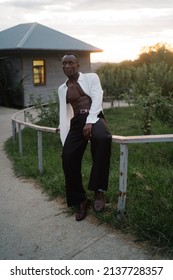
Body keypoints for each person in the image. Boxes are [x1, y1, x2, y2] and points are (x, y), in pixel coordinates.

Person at [58, 52, 112, 221]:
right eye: (64, 64)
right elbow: (64, 111)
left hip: (94, 117)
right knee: (67, 157)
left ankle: (99, 191)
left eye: (70, 63)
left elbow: (97, 97)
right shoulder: (62, 88)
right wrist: (62, 126)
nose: (67, 66)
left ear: (78, 65)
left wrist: (90, 121)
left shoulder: (91, 77)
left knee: (103, 139)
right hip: (76, 122)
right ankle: (80, 199)